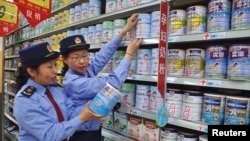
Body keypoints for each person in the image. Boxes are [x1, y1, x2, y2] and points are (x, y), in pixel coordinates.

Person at [59, 13, 142, 141]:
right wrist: (129, 54)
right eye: (76, 57)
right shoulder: (74, 82)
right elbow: (110, 84)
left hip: (94, 131)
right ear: (65, 60)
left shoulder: (84, 71)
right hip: (83, 136)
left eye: (85, 55)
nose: (82, 61)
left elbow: (101, 57)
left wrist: (124, 31)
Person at [13, 42, 104, 141]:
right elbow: (49, 135)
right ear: (31, 71)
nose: (55, 70)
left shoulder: (56, 89)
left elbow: (70, 113)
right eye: (49, 67)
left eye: (55, 64)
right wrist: (82, 118)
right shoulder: (25, 100)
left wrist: (90, 108)